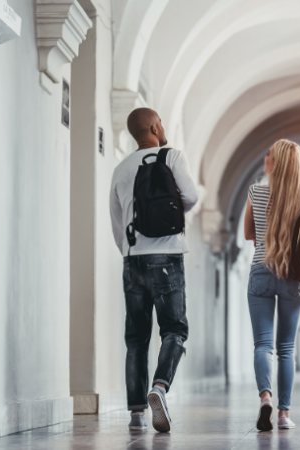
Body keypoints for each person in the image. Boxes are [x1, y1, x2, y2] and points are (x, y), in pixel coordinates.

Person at [110, 108, 200, 432]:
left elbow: (117, 223)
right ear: (153, 125)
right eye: (160, 121)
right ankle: (159, 388)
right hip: (167, 254)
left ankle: (136, 413)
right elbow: (191, 196)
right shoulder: (171, 157)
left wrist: (131, 251)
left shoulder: (120, 168)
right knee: (174, 329)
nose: (162, 126)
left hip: (132, 258)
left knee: (136, 337)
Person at [243, 139, 300, 432]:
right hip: (292, 275)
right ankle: (283, 415)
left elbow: (248, 234)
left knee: (263, 345)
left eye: (269, 153)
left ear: (277, 163)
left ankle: (265, 398)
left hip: (260, 270)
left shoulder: (255, 191)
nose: (264, 156)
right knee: (286, 349)